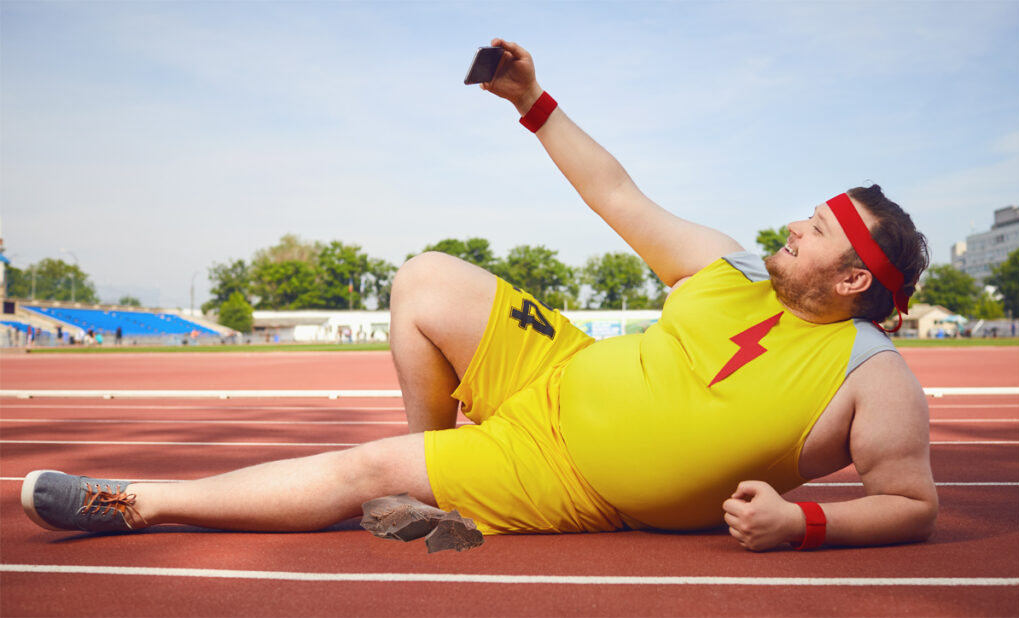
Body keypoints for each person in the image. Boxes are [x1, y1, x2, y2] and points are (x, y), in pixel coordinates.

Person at [21, 39, 937, 552]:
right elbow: (616, 193)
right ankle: (436, 463)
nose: (792, 229)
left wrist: (800, 521)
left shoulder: (874, 375)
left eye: (815, 230)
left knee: (362, 473)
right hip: (561, 370)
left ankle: (135, 500)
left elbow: (914, 506)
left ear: (854, 277)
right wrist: (530, 103)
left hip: (571, 478)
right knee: (425, 277)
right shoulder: (731, 269)